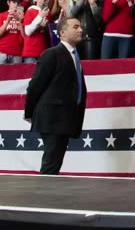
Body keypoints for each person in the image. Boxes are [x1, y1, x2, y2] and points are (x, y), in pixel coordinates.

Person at [23, 17, 88, 175]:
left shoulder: (74, 55)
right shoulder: (51, 54)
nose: (80, 30)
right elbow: (35, 85)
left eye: (80, 27)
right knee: (51, 162)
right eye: (76, 26)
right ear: (63, 33)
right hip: (52, 117)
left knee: (55, 161)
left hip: (65, 118)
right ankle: (42, 196)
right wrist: (29, 112)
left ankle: (46, 195)